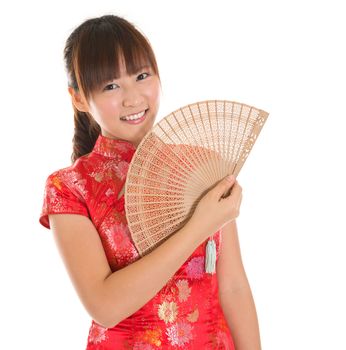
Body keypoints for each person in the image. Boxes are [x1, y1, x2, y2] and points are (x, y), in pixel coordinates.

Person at [39, 14, 261, 349]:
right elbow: (105, 306)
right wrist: (199, 226)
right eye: (111, 85)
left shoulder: (202, 164)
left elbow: (233, 287)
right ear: (80, 98)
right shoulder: (70, 188)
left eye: (142, 76)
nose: (133, 98)